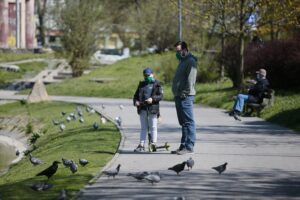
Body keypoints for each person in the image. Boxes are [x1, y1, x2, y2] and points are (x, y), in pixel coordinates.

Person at [171, 41, 198, 155]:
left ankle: (189, 145)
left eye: (179, 51)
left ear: (185, 49)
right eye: (176, 51)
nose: (177, 53)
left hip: (185, 97)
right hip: (179, 96)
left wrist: (184, 94)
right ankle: (183, 146)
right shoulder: (182, 61)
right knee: (183, 123)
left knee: (188, 122)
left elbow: (190, 81)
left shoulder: (190, 61)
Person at [133, 67, 163, 152]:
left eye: (148, 75)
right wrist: (136, 102)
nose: (146, 77)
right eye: (145, 76)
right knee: (143, 128)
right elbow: (135, 96)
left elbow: (160, 96)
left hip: (153, 109)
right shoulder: (141, 84)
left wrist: (152, 99)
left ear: (152, 74)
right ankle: (141, 145)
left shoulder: (157, 84)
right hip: (142, 108)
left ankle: (153, 144)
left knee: (153, 127)